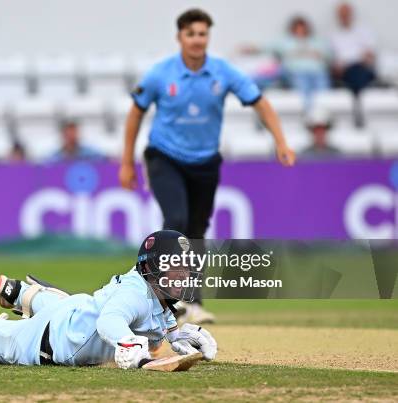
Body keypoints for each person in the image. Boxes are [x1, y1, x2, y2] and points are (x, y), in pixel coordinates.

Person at [119, 9, 296, 325]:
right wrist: (126, 163)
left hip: (205, 162)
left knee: (197, 231)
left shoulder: (222, 72)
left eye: (202, 34)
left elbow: (261, 102)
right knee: (176, 220)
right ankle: (160, 298)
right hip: (164, 156)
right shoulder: (161, 74)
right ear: (180, 38)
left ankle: (193, 303)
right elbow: (135, 113)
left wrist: (281, 141)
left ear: (207, 37)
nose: (197, 40)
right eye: (191, 34)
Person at [0, 230, 218, 368]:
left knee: (72, 304)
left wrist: (179, 334)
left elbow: (159, 323)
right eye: (175, 269)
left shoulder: (155, 295)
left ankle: (21, 293)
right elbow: (109, 321)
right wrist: (129, 345)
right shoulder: (136, 294)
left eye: (185, 269)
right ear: (151, 269)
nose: (183, 276)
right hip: (46, 341)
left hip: (73, 313)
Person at [272, 16, 330, 111]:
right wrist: (252, 49)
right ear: (293, 29)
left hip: (318, 72)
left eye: (303, 28)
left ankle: (321, 114)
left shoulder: (317, 41)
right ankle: (309, 113)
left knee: (322, 90)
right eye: (298, 28)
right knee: (303, 87)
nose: (300, 30)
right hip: (296, 73)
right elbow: (267, 48)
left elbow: (329, 55)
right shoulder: (285, 42)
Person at [330, 2, 376, 96]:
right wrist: (337, 66)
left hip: (360, 67)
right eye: (341, 14)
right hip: (342, 71)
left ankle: (356, 101)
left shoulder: (363, 30)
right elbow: (332, 57)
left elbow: (370, 55)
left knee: (356, 72)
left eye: (346, 13)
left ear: (351, 14)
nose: (344, 16)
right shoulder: (333, 35)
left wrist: (360, 60)